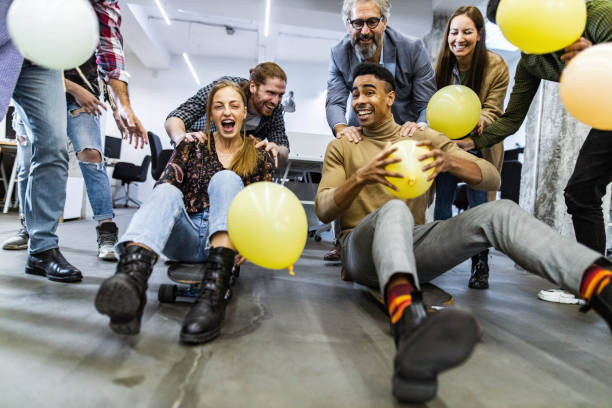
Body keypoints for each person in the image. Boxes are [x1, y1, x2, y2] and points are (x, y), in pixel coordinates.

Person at [314, 62, 612, 403]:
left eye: (369, 92)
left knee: (499, 211)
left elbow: (492, 178)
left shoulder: (420, 137)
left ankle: (600, 283)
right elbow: (323, 209)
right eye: (354, 94)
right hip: (359, 251)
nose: (359, 101)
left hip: (412, 245)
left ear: (390, 98)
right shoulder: (344, 145)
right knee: (394, 208)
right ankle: (410, 327)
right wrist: (362, 176)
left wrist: (449, 162)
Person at [95, 81, 277, 343]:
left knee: (226, 179)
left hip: (227, 246)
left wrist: (251, 244)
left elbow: (264, 211)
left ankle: (213, 296)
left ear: (243, 113)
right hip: (185, 237)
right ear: (211, 115)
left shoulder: (261, 155)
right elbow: (162, 195)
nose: (227, 112)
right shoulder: (192, 145)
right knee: (166, 191)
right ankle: (131, 281)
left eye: (234, 106)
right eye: (219, 106)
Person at [457, 0, 612, 304]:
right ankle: (597, 287)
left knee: (582, 192)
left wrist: (598, 58)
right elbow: (513, 117)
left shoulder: (597, 13)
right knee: (580, 193)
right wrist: (473, 142)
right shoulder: (531, 60)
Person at [0, 0, 147, 282]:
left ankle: (43, 247)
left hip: (43, 63)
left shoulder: (98, 8)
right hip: (8, 35)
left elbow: (109, 44)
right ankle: (27, 227)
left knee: (56, 149)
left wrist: (123, 107)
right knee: (27, 157)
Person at [323, 0, 437, 262]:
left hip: (403, 128)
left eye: (372, 22)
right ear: (348, 25)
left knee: (415, 173)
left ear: (384, 23)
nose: (364, 31)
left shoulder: (411, 48)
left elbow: (427, 102)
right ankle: (344, 243)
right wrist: (342, 129)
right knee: (345, 161)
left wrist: (420, 126)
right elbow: (335, 101)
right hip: (362, 129)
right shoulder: (339, 53)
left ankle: (411, 239)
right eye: (357, 23)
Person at [2, 56, 122, 260]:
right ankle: (29, 227)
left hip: (80, 97)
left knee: (91, 155)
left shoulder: (92, 27)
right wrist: (72, 87)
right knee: (28, 163)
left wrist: (119, 107)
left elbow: (109, 57)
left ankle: (107, 231)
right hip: (34, 95)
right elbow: (24, 62)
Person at [432, 6, 509, 290]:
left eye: (466, 32)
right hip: (448, 146)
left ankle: (480, 264)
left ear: (479, 35)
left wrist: (479, 123)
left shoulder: (495, 65)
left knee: (479, 208)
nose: (458, 38)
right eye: (454, 32)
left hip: (479, 145)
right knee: (442, 205)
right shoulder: (441, 64)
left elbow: (493, 109)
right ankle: (437, 257)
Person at [165, 62, 289, 165]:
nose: (275, 101)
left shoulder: (275, 109)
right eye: (270, 93)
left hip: (234, 160)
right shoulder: (224, 89)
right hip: (200, 150)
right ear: (253, 87)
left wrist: (277, 149)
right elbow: (177, 116)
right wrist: (181, 137)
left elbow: (283, 149)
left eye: (280, 95)